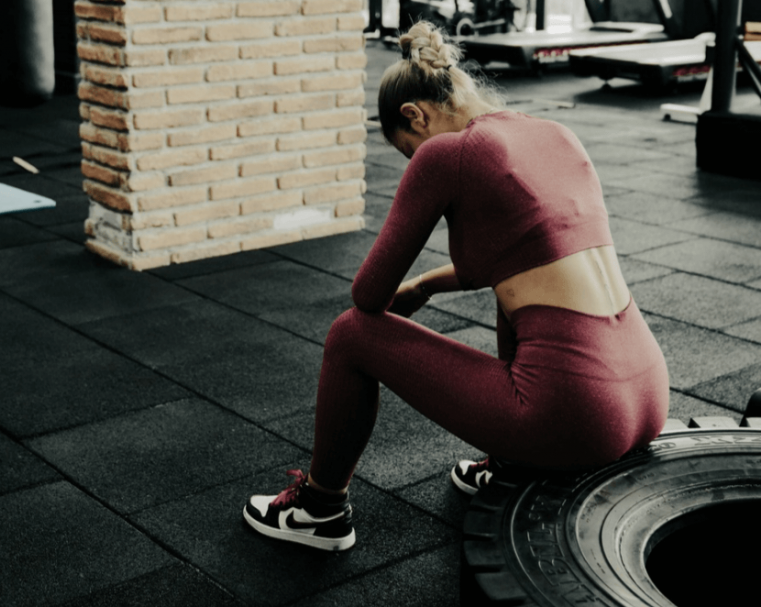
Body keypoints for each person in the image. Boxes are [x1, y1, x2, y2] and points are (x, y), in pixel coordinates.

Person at [242, 21, 670, 552]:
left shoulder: (448, 154)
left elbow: (368, 296)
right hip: (649, 392)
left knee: (351, 335)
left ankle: (319, 510)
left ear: (415, 115)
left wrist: (403, 283)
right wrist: (424, 286)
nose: (413, 160)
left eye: (408, 150)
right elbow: (523, 256)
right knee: (517, 300)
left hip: (575, 412)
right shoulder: (555, 135)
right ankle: (513, 462)